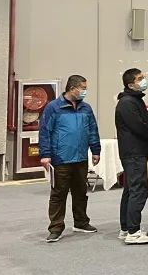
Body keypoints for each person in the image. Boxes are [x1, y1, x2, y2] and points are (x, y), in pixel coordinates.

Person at [39, 75, 101, 242]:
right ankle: (55, 228)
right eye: (82, 88)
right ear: (72, 88)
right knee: (59, 194)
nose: (85, 91)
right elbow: (45, 131)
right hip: (60, 158)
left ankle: (81, 222)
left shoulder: (86, 108)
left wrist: (96, 150)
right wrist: (45, 154)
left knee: (80, 192)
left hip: (81, 157)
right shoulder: (54, 108)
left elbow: (92, 130)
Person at [115, 68, 148, 245]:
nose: (143, 80)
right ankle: (133, 231)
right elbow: (139, 126)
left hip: (135, 151)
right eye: (140, 78)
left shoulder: (134, 100)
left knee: (130, 189)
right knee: (138, 190)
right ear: (131, 84)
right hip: (133, 153)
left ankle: (126, 228)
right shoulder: (127, 103)